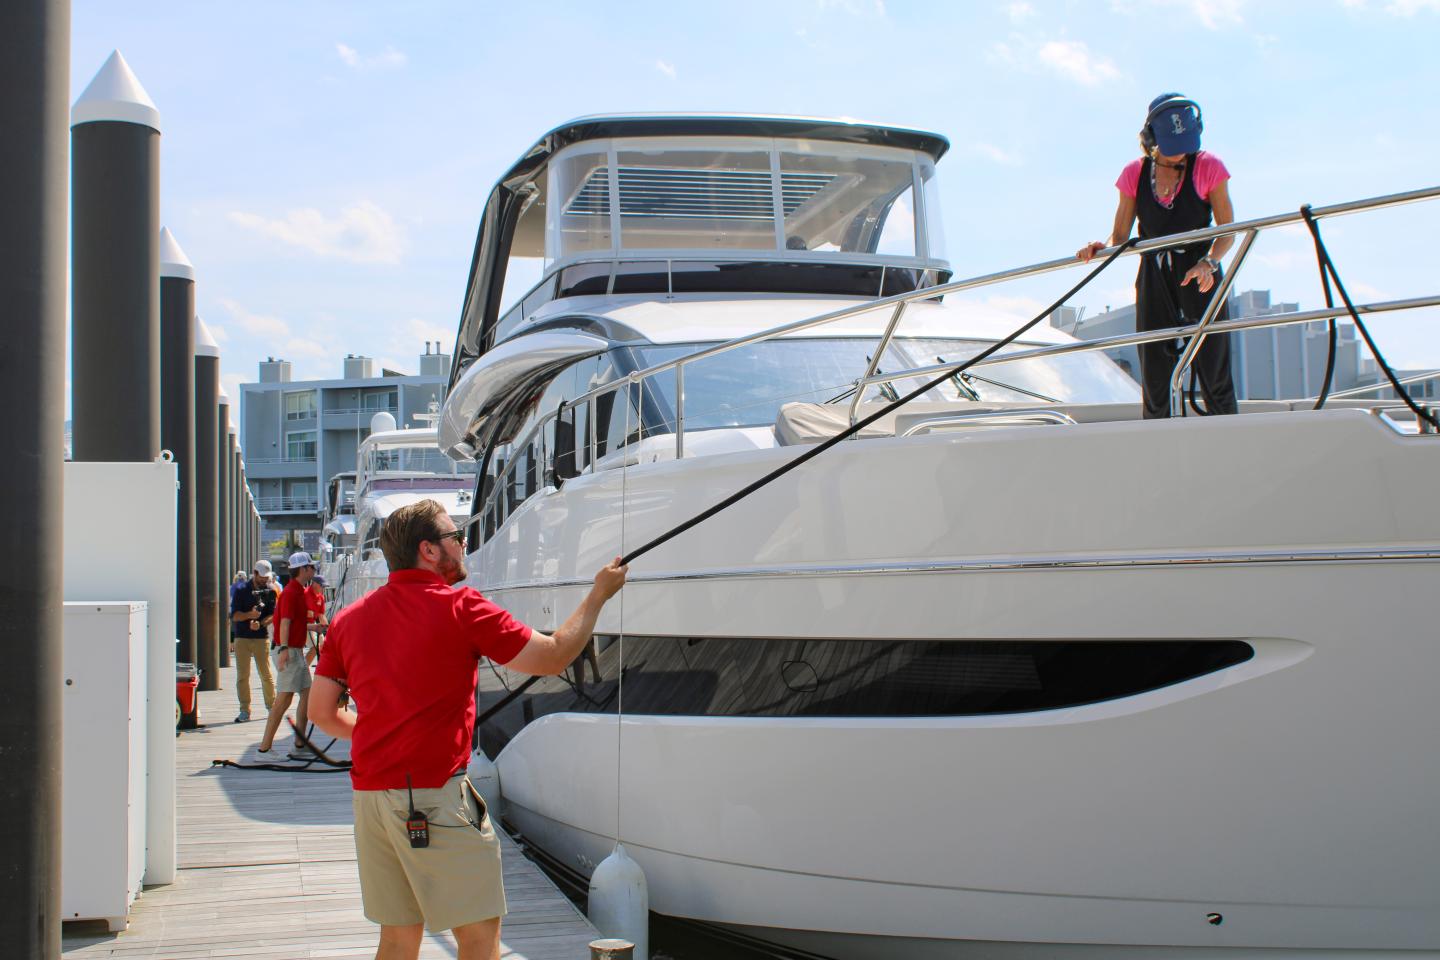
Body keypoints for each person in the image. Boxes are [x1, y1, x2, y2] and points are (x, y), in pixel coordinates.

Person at [309, 499, 627, 960]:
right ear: (429, 551)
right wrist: (598, 594)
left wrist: (387, 735)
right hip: (434, 799)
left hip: (371, 801)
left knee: (397, 939)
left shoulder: (348, 620)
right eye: (454, 536)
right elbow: (555, 654)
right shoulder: (462, 607)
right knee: (479, 939)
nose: (463, 544)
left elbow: (321, 713)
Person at [1078, 92, 1238, 419]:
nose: (1180, 153)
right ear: (1151, 138)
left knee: (1213, 364)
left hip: (1199, 269)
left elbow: (1227, 230)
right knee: (1154, 367)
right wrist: (1100, 247)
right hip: (1154, 272)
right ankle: (1157, 440)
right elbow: (1120, 236)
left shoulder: (1209, 166)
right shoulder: (1134, 174)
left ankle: (1229, 437)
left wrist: (1209, 262)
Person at [257, 552, 318, 755]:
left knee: (307, 695)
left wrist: (313, 628)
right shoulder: (292, 593)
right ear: (303, 569)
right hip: (289, 651)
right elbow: (285, 622)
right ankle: (264, 749)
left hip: (294, 650)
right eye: (311, 567)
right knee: (283, 699)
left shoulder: (298, 591)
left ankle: (300, 743)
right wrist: (283, 649)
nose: (314, 570)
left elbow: (294, 623)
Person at [229, 560, 278, 723]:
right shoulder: (241, 590)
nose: (265, 580)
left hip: (261, 637)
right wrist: (249, 616)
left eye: (267, 577)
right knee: (243, 675)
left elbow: (273, 615)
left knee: (266, 674)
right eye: (262, 576)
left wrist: (261, 623)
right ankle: (245, 710)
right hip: (242, 637)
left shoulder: (271, 591)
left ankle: (272, 707)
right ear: (255, 573)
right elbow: (234, 616)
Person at [304, 573, 328, 665]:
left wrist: (328, 628)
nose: (323, 588)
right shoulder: (305, 594)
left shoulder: (320, 597)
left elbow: (321, 615)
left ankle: (322, 669)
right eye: (322, 586)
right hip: (305, 625)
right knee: (315, 647)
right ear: (314, 584)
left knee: (324, 645)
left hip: (314, 624)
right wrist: (311, 614)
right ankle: (303, 669)